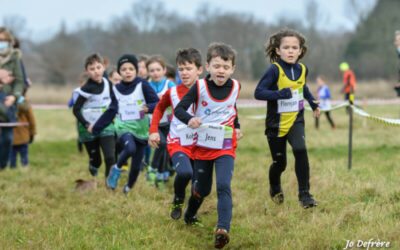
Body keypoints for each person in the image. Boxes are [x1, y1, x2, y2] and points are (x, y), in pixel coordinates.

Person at [174, 42, 243, 249]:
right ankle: (190, 214)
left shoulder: (236, 86)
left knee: (223, 185)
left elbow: (232, 108)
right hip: (202, 147)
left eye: (225, 66)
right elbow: (179, 109)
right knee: (202, 190)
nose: (220, 70)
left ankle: (222, 230)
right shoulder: (200, 87)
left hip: (225, 146)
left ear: (232, 69)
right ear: (208, 66)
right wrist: (189, 120)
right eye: (216, 66)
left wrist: (237, 126)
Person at [254, 29, 320, 209]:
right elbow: (258, 92)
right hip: (276, 124)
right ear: (278, 51)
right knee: (280, 163)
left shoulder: (303, 69)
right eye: (286, 47)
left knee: (300, 150)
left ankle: (305, 195)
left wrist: (312, 102)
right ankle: (275, 185)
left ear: (300, 51)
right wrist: (280, 94)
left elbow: (302, 87)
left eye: (294, 48)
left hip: (296, 120)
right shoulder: (274, 70)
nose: (290, 51)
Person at [90, 54, 159, 193]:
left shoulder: (143, 84)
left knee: (136, 165)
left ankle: (127, 188)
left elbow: (157, 103)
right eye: (124, 69)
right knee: (130, 148)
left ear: (136, 71)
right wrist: (96, 127)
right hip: (123, 127)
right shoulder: (115, 89)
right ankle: (116, 170)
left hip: (141, 128)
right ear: (119, 72)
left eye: (131, 69)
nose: (127, 72)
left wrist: (148, 108)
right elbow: (111, 111)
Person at [148, 48, 203, 220]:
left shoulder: (208, 90)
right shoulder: (172, 92)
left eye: (189, 69)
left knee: (199, 184)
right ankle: (178, 200)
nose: (184, 73)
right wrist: (153, 131)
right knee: (185, 173)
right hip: (178, 141)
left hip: (201, 142)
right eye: (181, 69)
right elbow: (158, 108)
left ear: (199, 70)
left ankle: (191, 214)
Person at [72, 53, 116, 178]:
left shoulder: (108, 83)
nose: (96, 71)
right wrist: (87, 125)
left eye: (98, 67)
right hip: (88, 128)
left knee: (110, 157)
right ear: (87, 71)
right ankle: (93, 166)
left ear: (103, 68)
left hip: (105, 125)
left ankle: (109, 184)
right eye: (92, 69)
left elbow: (113, 102)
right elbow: (76, 110)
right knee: (97, 160)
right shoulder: (86, 88)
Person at [146, 55, 176, 189]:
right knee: (161, 143)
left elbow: (176, 101)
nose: (155, 73)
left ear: (164, 70)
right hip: (154, 124)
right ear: (148, 72)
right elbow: (143, 107)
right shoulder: (146, 85)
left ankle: (162, 172)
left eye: (158, 69)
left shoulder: (169, 84)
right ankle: (152, 171)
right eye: (151, 70)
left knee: (166, 147)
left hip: (169, 123)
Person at [0, 27, 24, 170]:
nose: (1, 42)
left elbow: (19, 81)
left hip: (8, 104)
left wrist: (14, 97)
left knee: (8, 139)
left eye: (3, 40)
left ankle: (3, 165)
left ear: (9, 41)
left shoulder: (14, 58)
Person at [10, 88, 36, 168]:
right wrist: (32, 134)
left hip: (11, 136)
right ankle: (24, 169)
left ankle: (12, 170)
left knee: (12, 157)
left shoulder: (8, 101)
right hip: (24, 135)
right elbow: (32, 121)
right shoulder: (25, 104)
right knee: (24, 156)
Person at [137, 54, 152, 170]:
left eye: (143, 67)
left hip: (150, 116)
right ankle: (139, 160)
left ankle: (146, 161)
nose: (141, 70)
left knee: (147, 140)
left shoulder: (151, 83)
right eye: (139, 67)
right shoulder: (135, 83)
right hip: (137, 116)